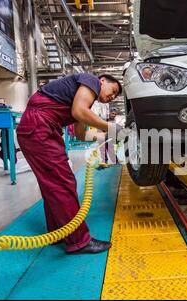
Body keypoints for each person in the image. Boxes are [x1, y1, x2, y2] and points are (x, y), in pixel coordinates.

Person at [16, 73, 122, 254]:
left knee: (53, 184)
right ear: (102, 80)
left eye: (115, 96)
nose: (112, 97)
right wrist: (111, 127)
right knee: (62, 183)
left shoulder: (83, 101)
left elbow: (81, 135)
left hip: (41, 129)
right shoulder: (91, 80)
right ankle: (78, 241)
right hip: (40, 127)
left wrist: (109, 136)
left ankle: (58, 232)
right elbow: (78, 112)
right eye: (113, 91)